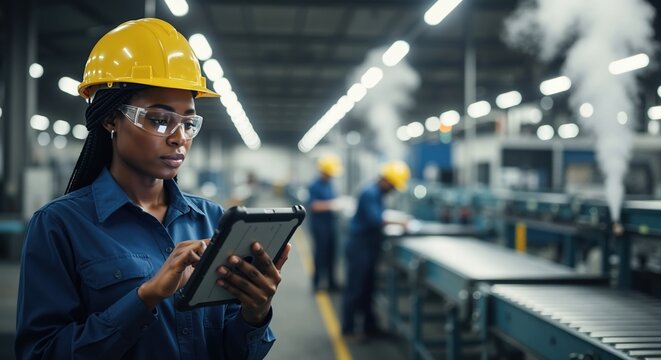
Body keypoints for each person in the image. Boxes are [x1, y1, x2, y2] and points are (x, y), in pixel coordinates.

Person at [15, 18, 289, 359]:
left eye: (189, 123)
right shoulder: (60, 225)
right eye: (159, 119)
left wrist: (255, 313)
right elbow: (41, 353)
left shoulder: (213, 219)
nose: (179, 138)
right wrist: (146, 297)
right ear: (110, 119)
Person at [341, 160, 411, 341]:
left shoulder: (377, 193)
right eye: (394, 185)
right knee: (355, 289)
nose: (394, 189)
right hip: (360, 247)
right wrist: (400, 222)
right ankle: (348, 329)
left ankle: (369, 326)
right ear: (386, 180)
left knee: (368, 288)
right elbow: (375, 220)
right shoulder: (369, 193)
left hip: (369, 246)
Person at [307, 154, 343, 292]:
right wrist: (332, 205)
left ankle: (332, 283)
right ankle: (317, 283)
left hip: (330, 224)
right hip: (319, 225)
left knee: (331, 254)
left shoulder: (330, 184)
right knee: (320, 255)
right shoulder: (314, 185)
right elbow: (314, 206)